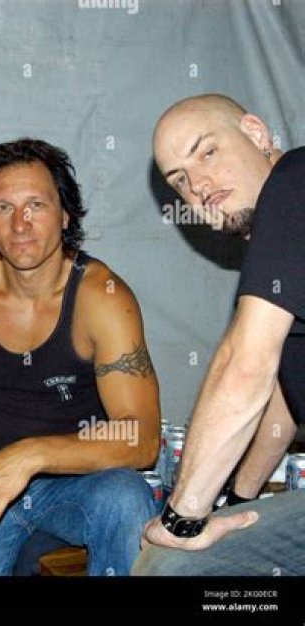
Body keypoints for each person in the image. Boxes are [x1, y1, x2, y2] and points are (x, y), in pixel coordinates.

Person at [0, 138, 160, 576]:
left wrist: (30, 454)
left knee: (127, 496)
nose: (21, 223)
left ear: (65, 215)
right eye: (4, 208)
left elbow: (143, 439)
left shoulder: (102, 297)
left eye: (36, 204)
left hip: (79, 485)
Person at [133, 94, 305, 576]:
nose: (199, 186)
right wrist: (238, 499)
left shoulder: (294, 180)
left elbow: (246, 366)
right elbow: (283, 393)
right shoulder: (285, 235)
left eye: (207, 152)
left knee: (171, 565)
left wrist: (182, 519)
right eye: (179, 180)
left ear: (256, 133)